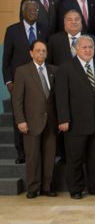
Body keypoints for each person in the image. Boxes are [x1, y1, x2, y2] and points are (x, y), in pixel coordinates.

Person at [55, 35, 95, 199]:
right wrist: (63, 119)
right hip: (75, 123)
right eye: (84, 47)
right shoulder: (66, 68)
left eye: (90, 47)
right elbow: (61, 96)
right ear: (76, 49)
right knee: (75, 159)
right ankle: (76, 189)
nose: (88, 50)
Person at [4, 0, 49, 164]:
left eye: (35, 10)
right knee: (20, 115)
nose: (33, 12)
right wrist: (8, 81)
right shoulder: (12, 30)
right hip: (19, 81)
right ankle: (21, 152)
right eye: (30, 10)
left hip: (40, 80)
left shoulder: (44, 29)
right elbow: (6, 60)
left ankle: (41, 151)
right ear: (23, 12)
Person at [11, 41, 57, 198]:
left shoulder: (53, 70)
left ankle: (46, 186)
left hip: (51, 121)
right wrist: (20, 120)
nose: (41, 53)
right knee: (32, 156)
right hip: (30, 122)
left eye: (44, 51)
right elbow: (17, 99)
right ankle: (33, 188)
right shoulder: (22, 71)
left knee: (49, 156)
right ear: (31, 53)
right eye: (38, 51)